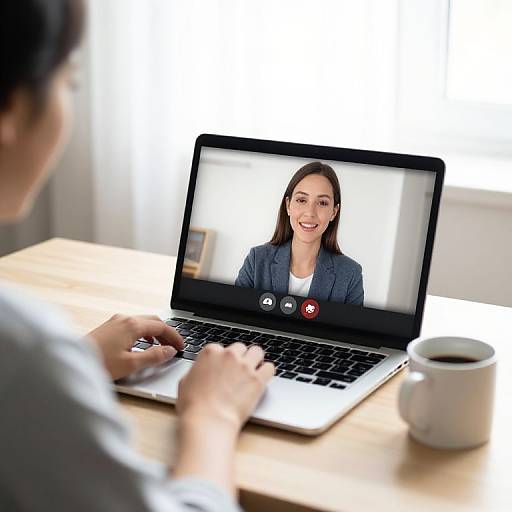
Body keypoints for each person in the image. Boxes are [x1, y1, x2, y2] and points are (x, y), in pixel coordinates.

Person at [0, 1, 274, 510]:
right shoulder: (23, 343)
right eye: (69, 82)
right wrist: (211, 415)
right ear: (13, 110)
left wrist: (73, 362)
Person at [235, 162, 364, 304]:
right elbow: (234, 315)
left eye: (322, 203)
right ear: (288, 205)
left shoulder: (351, 274)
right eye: (302, 200)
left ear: (334, 212)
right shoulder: (257, 260)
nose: (310, 213)